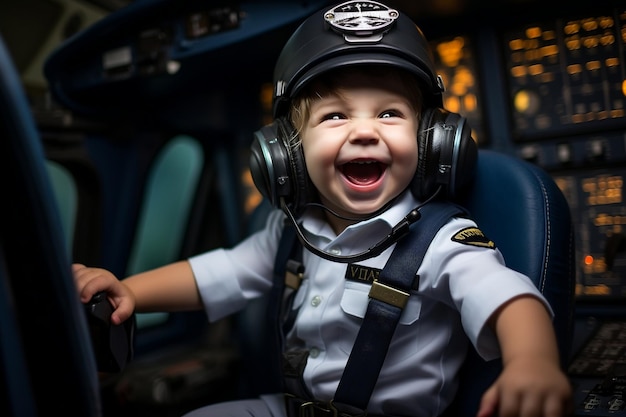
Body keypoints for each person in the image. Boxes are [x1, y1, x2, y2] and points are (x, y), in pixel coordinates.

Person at [73, 1, 573, 416]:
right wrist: (130, 291)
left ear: (431, 142)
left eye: (389, 113)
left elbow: (508, 298)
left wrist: (532, 360)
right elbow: (219, 274)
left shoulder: (442, 240)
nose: (363, 130)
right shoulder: (289, 230)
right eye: (335, 116)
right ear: (288, 152)